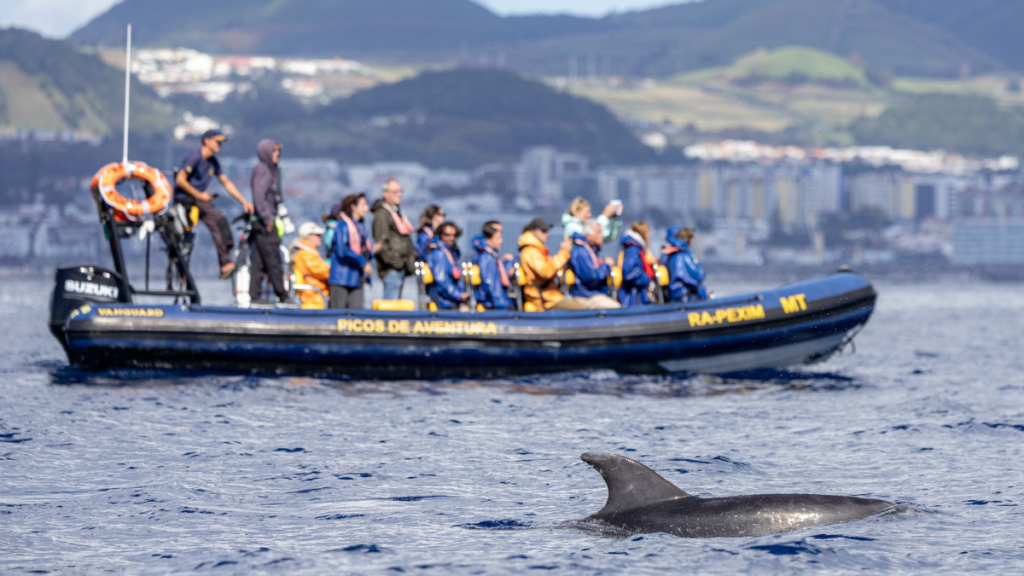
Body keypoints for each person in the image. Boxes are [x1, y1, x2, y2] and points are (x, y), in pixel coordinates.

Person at [172, 129, 253, 279]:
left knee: (220, 223)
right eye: (217, 141)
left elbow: (226, 183)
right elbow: (180, 180)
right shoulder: (194, 157)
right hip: (186, 198)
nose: (220, 144)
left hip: (199, 200)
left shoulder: (213, 162)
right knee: (218, 219)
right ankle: (224, 263)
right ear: (206, 141)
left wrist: (243, 201)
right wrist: (199, 195)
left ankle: (225, 263)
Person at [249, 139, 290, 304]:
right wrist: (267, 218)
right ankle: (283, 295)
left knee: (259, 261)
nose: (277, 154)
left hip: (262, 221)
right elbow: (259, 197)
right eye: (274, 151)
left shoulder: (267, 170)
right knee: (274, 260)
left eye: (278, 151)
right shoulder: (264, 171)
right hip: (266, 222)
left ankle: (255, 295)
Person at [518, 217, 587, 311]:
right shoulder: (530, 251)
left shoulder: (539, 249)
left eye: (547, 230)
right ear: (533, 231)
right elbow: (545, 272)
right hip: (544, 297)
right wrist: (563, 253)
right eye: (543, 230)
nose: (547, 233)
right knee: (582, 311)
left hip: (551, 294)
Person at [371, 179, 416, 300]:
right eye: (395, 191)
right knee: (391, 309)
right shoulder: (382, 214)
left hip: (399, 269)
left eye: (400, 191)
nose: (399, 194)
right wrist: (397, 263)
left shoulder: (395, 212)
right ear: (385, 194)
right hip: (391, 269)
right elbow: (382, 243)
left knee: (396, 306)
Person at [329, 193, 374, 310]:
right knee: (338, 315)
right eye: (363, 205)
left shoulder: (361, 227)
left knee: (357, 316)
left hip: (356, 278)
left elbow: (362, 250)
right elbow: (342, 250)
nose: (366, 208)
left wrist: (372, 253)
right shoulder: (342, 225)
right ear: (353, 206)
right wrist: (363, 263)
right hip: (341, 278)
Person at [568, 220, 621, 310]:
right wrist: (607, 266)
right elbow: (591, 278)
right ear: (588, 236)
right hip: (586, 296)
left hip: (595, 293)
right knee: (615, 309)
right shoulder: (581, 252)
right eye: (598, 232)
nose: (601, 235)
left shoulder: (591, 250)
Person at [426, 222, 469, 311]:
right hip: (444, 301)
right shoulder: (440, 254)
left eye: (454, 235)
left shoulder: (450, 252)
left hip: (450, 298)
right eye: (447, 235)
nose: (451, 238)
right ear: (440, 235)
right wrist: (458, 295)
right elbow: (441, 280)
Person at [471, 221, 514, 310]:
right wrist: (502, 305)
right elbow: (490, 284)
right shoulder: (487, 257)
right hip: (491, 305)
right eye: (498, 238)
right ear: (488, 239)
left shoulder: (490, 256)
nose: (501, 241)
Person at [661, 226, 710, 303]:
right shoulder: (682, 256)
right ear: (689, 239)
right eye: (692, 237)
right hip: (684, 299)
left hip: (674, 298)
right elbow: (699, 275)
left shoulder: (669, 254)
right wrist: (695, 262)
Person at [291, 222, 331, 310]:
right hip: (312, 301)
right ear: (307, 236)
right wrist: (336, 268)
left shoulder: (310, 253)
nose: (320, 237)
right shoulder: (305, 254)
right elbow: (323, 272)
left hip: (318, 299)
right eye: (317, 234)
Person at [618, 221, 655, 307]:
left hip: (635, 293)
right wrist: (647, 279)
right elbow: (630, 273)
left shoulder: (634, 247)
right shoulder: (633, 248)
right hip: (633, 296)